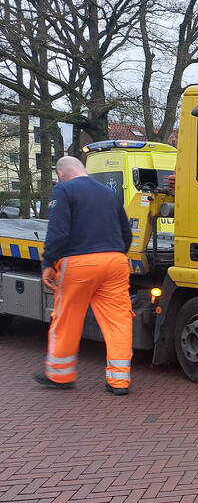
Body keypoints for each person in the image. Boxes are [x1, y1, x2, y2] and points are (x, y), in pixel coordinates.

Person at [35, 156, 134, 395]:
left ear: (61, 174)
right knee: (119, 321)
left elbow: (58, 231)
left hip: (79, 263)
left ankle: (60, 376)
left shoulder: (63, 190)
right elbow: (125, 232)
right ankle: (119, 381)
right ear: (83, 170)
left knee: (67, 318)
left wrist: (49, 262)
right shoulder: (108, 193)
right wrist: (116, 253)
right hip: (115, 260)